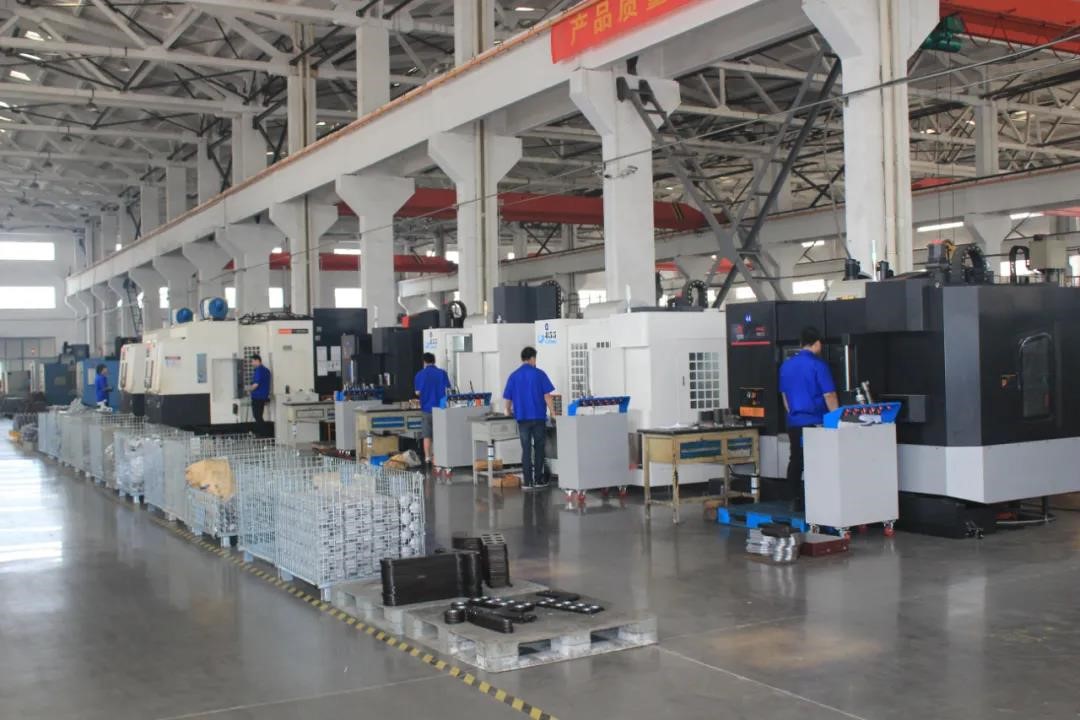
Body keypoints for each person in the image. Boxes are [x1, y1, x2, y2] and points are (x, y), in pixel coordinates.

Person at [779, 326, 839, 509]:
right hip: (816, 423)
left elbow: (785, 397)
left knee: (796, 459)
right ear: (817, 343)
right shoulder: (818, 365)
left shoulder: (786, 365)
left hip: (794, 422)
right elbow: (829, 395)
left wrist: (793, 415)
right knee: (819, 461)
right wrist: (838, 420)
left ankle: (794, 499)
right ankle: (819, 502)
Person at [503, 346, 555, 490]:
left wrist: (507, 410)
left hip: (522, 418)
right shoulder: (539, 374)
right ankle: (538, 480)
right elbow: (547, 396)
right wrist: (553, 413)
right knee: (539, 448)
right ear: (532, 358)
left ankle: (527, 482)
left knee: (526, 449)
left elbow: (508, 398)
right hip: (538, 417)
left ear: (522, 359)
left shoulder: (514, 376)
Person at [414, 352, 451, 465]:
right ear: (434, 361)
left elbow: (417, 392)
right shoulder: (442, 373)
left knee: (427, 435)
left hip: (426, 409)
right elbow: (448, 389)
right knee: (439, 435)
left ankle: (427, 458)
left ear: (424, 362)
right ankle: (437, 458)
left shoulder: (420, 374)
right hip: (440, 409)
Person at [248, 354, 271, 436]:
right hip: (263, 396)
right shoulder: (266, 370)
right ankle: (263, 434)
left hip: (257, 397)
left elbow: (256, 384)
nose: (252, 363)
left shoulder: (258, 370)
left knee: (257, 416)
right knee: (259, 416)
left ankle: (264, 434)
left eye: (252, 361)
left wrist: (248, 390)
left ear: (257, 361)